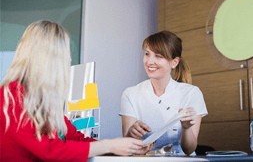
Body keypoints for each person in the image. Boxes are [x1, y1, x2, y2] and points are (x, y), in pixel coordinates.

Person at [0, 20, 154, 161]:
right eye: (65, 54)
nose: (70, 60)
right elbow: (49, 149)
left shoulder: (44, 101)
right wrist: (109, 146)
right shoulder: (11, 95)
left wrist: (124, 147)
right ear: (48, 57)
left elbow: (77, 140)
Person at [120, 31, 208, 155]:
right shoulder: (130, 94)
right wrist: (131, 133)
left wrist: (186, 128)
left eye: (158, 56)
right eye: (147, 54)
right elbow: (127, 148)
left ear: (174, 62)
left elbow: (189, 149)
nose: (149, 62)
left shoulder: (192, 93)